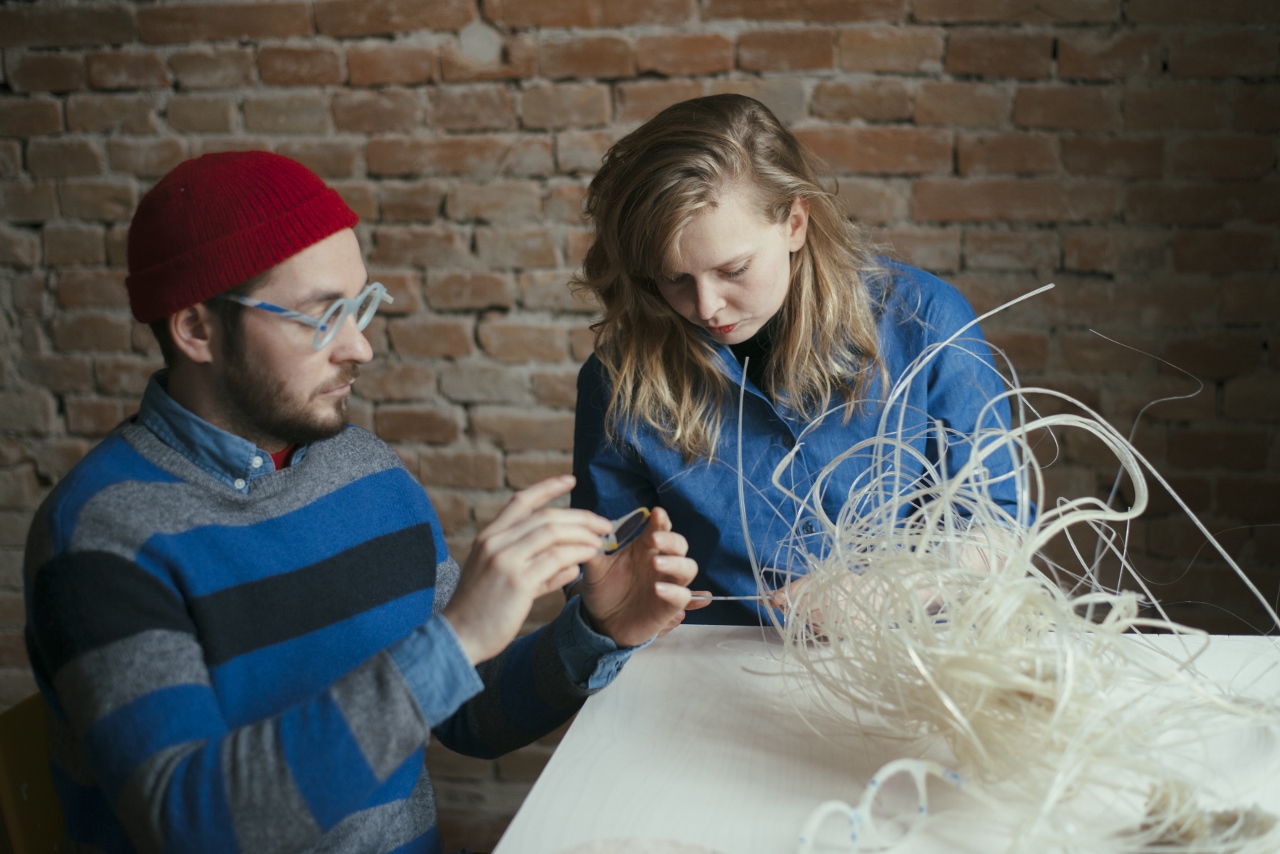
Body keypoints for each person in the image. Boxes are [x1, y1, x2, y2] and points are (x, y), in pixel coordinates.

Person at [22, 151, 698, 853]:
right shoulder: (103, 534)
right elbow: (194, 824)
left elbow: (465, 713)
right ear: (196, 330)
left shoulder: (364, 472)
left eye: (360, 307)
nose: (361, 347)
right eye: (322, 316)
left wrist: (597, 628)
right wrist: (459, 636)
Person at [570, 94, 1019, 625]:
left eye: (733, 269)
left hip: (910, 661)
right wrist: (615, 612)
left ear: (795, 223)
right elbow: (600, 586)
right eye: (674, 278)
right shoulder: (618, 381)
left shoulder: (923, 320)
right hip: (715, 677)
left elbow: (1000, 534)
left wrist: (899, 589)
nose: (707, 307)